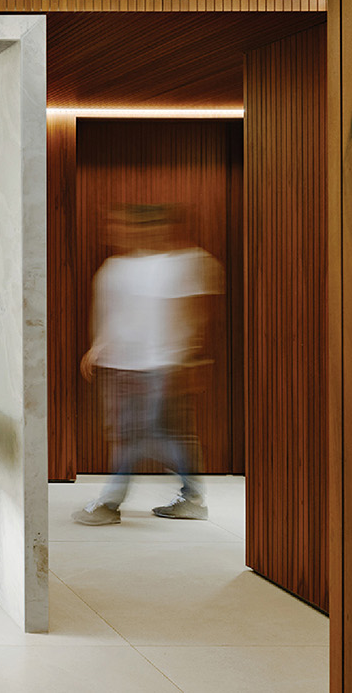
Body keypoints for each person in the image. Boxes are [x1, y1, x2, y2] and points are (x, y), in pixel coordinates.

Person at [73, 204, 223, 526]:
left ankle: (112, 502)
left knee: (145, 436)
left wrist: (190, 358)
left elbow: (194, 314)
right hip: (120, 366)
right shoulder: (113, 268)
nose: (116, 231)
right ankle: (190, 496)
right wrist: (98, 348)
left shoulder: (185, 263)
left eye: (124, 225)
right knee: (138, 435)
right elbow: (113, 314)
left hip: (161, 366)